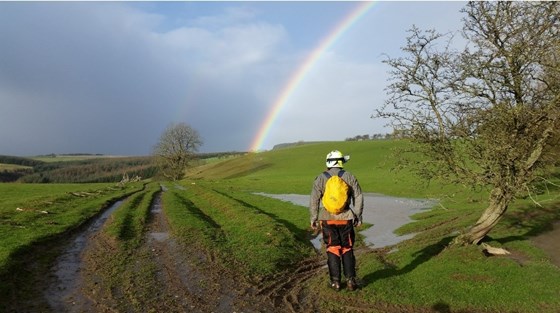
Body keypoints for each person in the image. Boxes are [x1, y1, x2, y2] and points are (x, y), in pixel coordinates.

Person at [309, 150, 364, 291]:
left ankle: (335, 283)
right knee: (347, 248)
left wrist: (314, 218)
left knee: (332, 248)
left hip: (327, 219)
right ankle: (351, 281)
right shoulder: (349, 176)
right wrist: (357, 215)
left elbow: (314, 200)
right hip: (346, 218)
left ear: (328, 163)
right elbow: (358, 196)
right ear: (341, 163)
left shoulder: (320, 178)